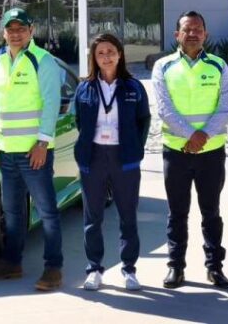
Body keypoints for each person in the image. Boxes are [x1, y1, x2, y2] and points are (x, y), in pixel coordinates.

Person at [0, 7, 65, 292]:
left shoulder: (43, 61)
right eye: (10, 29)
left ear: (31, 31)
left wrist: (42, 143)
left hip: (34, 152)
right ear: (3, 32)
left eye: (20, 29)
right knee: (13, 213)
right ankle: (12, 263)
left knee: (47, 212)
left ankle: (53, 268)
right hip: (6, 152)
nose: (15, 34)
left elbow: (51, 104)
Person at [151, 10, 228, 290]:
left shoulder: (219, 66)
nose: (193, 33)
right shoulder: (162, 66)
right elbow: (164, 108)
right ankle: (176, 267)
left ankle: (215, 268)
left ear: (205, 34)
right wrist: (191, 135)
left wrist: (203, 136)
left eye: (198, 29)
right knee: (177, 213)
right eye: (187, 29)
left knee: (211, 212)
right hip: (175, 151)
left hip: (211, 153)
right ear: (177, 35)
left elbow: (225, 107)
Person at [73, 33, 151, 291]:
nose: (106, 57)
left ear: (120, 54)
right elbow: (79, 123)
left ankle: (129, 269)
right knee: (92, 218)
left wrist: (134, 149)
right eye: (100, 53)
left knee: (127, 216)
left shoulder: (134, 87)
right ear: (94, 58)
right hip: (93, 157)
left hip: (124, 157)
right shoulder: (84, 88)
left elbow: (143, 121)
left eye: (110, 51)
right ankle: (94, 268)